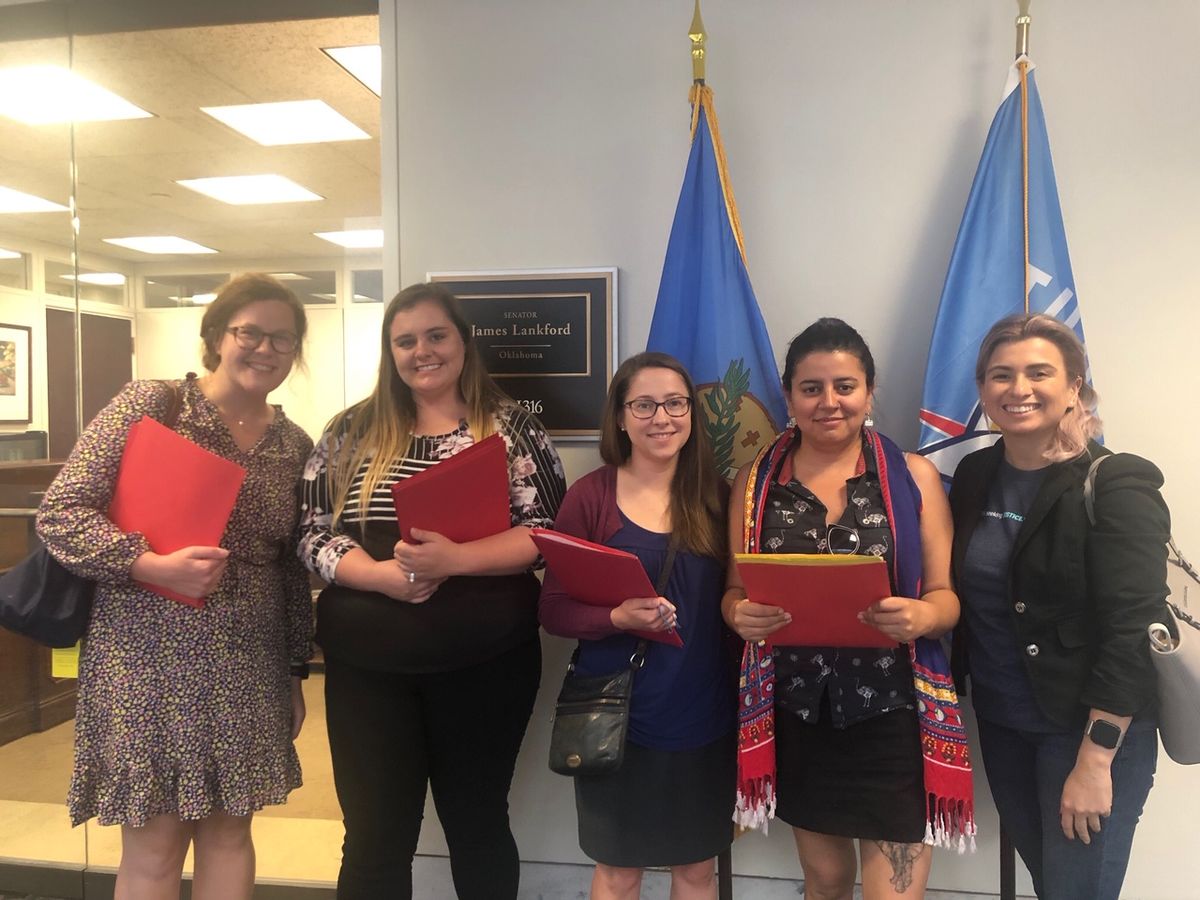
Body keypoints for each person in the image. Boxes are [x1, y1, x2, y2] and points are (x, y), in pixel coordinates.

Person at [36, 273, 314, 900]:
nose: (265, 349)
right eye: (251, 332)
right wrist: (147, 563)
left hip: (248, 664)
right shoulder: (153, 406)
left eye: (283, 339)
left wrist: (296, 670)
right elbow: (62, 512)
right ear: (217, 336)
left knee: (229, 836)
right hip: (147, 659)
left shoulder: (293, 444)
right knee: (155, 846)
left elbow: (290, 568)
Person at [298, 282, 566, 900]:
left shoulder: (511, 430)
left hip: (485, 670)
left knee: (477, 826)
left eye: (436, 335)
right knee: (372, 837)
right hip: (369, 673)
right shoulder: (351, 431)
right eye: (405, 340)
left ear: (464, 342)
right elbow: (309, 534)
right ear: (391, 352)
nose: (422, 350)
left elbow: (547, 534)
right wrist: (379, 577)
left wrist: (458, 559)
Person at [723, 318, 972, 900]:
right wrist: (738, 614)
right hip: (798, 710)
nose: (829, 402)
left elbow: (946, 597)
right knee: (826, 881)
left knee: (894, 893)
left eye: (845, 386)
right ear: (788, 396)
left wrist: (924, 617)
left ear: (870, 390)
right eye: (811, 388)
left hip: (895, 714)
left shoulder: (914, 477)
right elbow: (734, 593)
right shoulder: (754, 483)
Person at [949, 313, 1170, 900]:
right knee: (1053, 886)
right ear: (983, 391)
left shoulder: (1116, 482)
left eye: (1038, 373)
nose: (1018, 389)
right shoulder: (974, 475)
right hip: (1003, 725)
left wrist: (1096, 761)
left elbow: (1133, 631)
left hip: (1088, 735)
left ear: (1074, 385)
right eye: (1001, 375)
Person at [539, 351, 735, 900]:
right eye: (644, 404)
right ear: (620, 418)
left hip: (703, 714)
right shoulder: (590, 497)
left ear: (692, 415)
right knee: (619, 873)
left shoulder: (720, 497)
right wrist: (615, 617)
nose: (661, 417)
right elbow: (552, 610)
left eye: (675, 403)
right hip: (616, 716)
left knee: (696, 871)